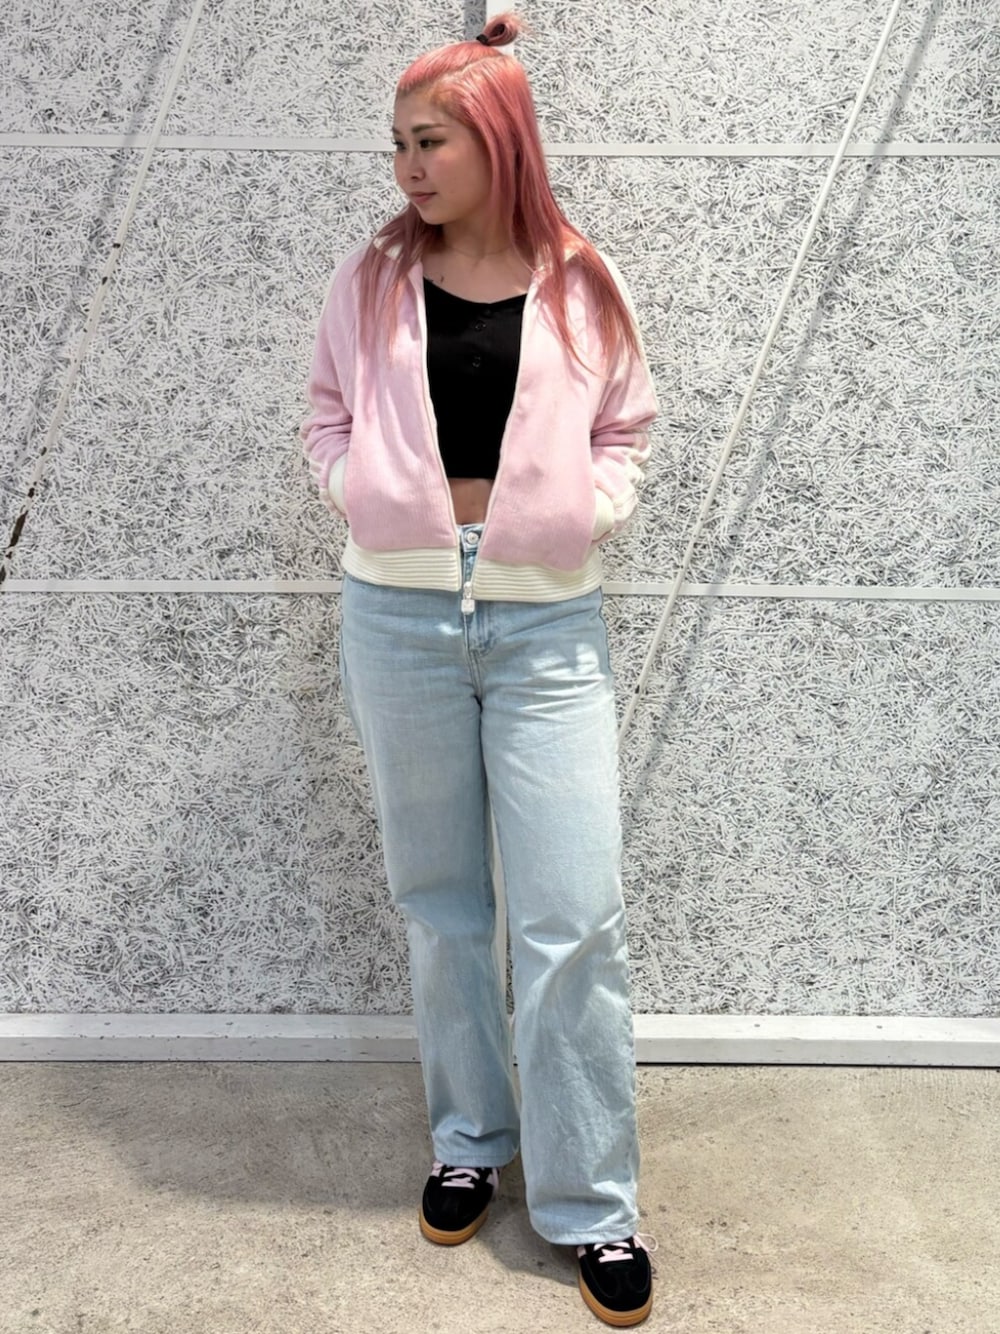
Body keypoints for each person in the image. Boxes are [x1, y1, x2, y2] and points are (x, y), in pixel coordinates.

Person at [301, 13, 659, 1326]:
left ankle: (592, 1202)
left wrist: (581, 515)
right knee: (441, 899)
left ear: (498, 141)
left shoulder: (581, 282)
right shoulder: (370, 280)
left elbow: (626, 426)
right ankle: (470, 1140)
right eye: (397, 144)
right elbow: (328, 413)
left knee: (574, 913)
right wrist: (365, 496)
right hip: (395, 616)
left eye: (431, 141)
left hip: (547, 628)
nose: (408, 165)